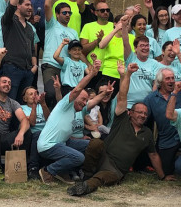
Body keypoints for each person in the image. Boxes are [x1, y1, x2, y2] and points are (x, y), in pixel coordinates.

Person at [66, 63, 169, 196]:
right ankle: (86, 176)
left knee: (102, 178)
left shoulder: (147, 133)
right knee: (96, 143)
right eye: (139, 112)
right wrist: (128, 75)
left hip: (116, 170)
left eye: (145, 113)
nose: (143, 115)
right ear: (130, 113)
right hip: (103, 157)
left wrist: (162, 176)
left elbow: (153, 155)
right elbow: (123, 96)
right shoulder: (121, 120)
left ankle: (85, 186)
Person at [37, 65, 99, 184]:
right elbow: (77, 89)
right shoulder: (66, 104)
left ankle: (75, 172)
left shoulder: (74, 113)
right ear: (74, 97)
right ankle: (48, 171)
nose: (85, 103)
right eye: (83, 99)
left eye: (86, 101)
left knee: (92, 145)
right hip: (48, 145)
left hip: (62, 142)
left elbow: (65, 134)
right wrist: (91, 74)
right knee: (78, 157)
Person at [42, 0, 78, 108]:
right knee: (51, 93)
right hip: (51, 65)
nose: (67, 15)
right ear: (57, 14)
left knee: (64, 98)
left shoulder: (73, 32)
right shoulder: (51, 24)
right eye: (64, 13)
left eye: (69, 13)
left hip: (66, 68)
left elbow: (76, 52)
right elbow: (47, 5)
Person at [1, 0, 38, 101]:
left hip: (27, 71)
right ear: (18, 5)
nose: (30, 8)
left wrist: (34, 67)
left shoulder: (29, 28)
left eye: (31, 5)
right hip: (12, 69)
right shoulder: (9, 21)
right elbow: (10, 7)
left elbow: (32, 50)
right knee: (9, 102)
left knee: (22, 105)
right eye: (27, 5)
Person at [19, 87, 50, 178]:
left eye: (35, 94)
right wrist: (34, 106)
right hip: (31, 136)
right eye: (31, 94)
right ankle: (33, 167)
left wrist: (43, 104)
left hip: (46, 134)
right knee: (37, 134)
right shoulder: (22, 108)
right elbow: (32, 123)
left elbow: (49, 120)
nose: (34, 96)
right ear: (25, 98)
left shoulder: (42, 106)